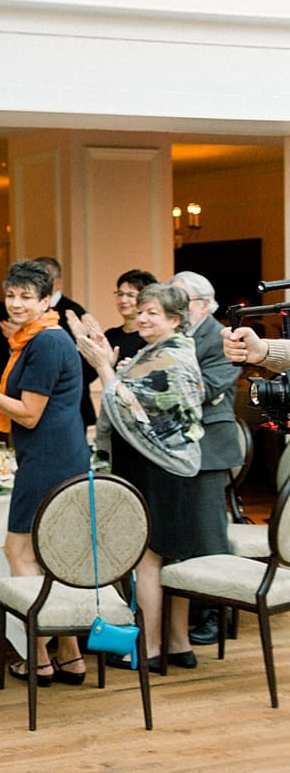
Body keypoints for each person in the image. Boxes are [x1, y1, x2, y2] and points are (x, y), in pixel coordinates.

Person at [0, 260, 88, 685]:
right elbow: (23, 395)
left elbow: (27, 414)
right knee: (51, 556)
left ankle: (39, 657)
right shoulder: (36, 339)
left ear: (46, 300)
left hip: (48, 458)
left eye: (27, 296)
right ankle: (71, 656)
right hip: (59, 455)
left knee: (19, 552)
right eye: (12, 295)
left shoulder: (45, 342)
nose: (17, 303)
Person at [71, 283, 218, 671]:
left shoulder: (170, 356)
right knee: (170, 557)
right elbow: (134, 392)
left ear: (174, 318)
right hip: (168, 466)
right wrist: (112, 363)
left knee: (149, 561)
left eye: (152, 312)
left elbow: (129, 406)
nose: (142, 317)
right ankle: (177, 645)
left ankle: (150, 650)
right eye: (140, 311)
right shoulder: (163, 350)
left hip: (159, 467)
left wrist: (104, 366)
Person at [170, 271, 241, 646]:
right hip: (184, 447)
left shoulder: (219, 336)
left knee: (209, 533)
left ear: (201, 303)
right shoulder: (184, 334)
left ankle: (219, 614)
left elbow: (210, 387)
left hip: (211, 446)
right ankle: (197, 608)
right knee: (188, 530)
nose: (174, 306)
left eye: (179, 299)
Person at [35, 256, 96, 428]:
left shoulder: (73, 313)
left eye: (45, 279)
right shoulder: (29, 311)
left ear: (59, 283)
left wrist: (66, 387)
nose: (40, 284)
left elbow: (90, 365)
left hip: (71, 405)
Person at [103, 269, 159, 366]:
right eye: (120, 294)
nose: (123, 300)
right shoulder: (111, 335)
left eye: (130, 295)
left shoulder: (151, 337)